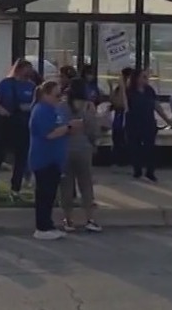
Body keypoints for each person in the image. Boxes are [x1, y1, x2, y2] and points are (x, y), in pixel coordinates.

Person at [30, 80, 80, 240]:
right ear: (45, 95)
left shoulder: (56, 110)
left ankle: (48, 225)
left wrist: (71, 128)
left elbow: (62, 129)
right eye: (57, 95)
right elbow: (49, 134)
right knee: (44, 195)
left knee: (50, 195)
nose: (60, 98)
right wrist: (69, 127)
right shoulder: (41, 110)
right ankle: (41, 228)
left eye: (61, 94)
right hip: (43, 158)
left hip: (55, 159)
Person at [0, 59, 36, 201]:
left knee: (21, 159)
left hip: (23, 125)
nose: (29, 72)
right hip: (5, 124)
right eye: (27, 69)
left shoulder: (32, 86)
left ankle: (15, 190)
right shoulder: (6, 84)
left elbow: (35, 103)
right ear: (18, 69)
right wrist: (1, 109)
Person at [60, 78, 102, 233]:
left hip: (65, 149)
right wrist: (94, 144)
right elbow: (93, 130)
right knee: (86, 185)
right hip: (83, 149)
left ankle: (68, 219)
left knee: (66, 186)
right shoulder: (87, 108)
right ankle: (90, 219)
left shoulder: (62, 107)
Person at [122, 68, 172, 182]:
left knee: (149, 148)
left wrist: (167, 120)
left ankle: (150, 171)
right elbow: (123, 105)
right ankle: (137, 170)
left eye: (146, 77)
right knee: (135, 147)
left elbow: (156, 105)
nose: (146, 79)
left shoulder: (149, 90)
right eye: (143, 77)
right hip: (133, 123)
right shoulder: (129, 91)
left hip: (148, 122)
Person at [108, 67, 133, 168]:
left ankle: (125, 160)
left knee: (125, 139)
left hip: (127, 117)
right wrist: (111, 88)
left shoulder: (131, 90)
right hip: (118, 116)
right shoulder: (119, 89)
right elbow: (115, 101)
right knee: (117, 138)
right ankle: (116, 160)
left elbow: (124, 103)